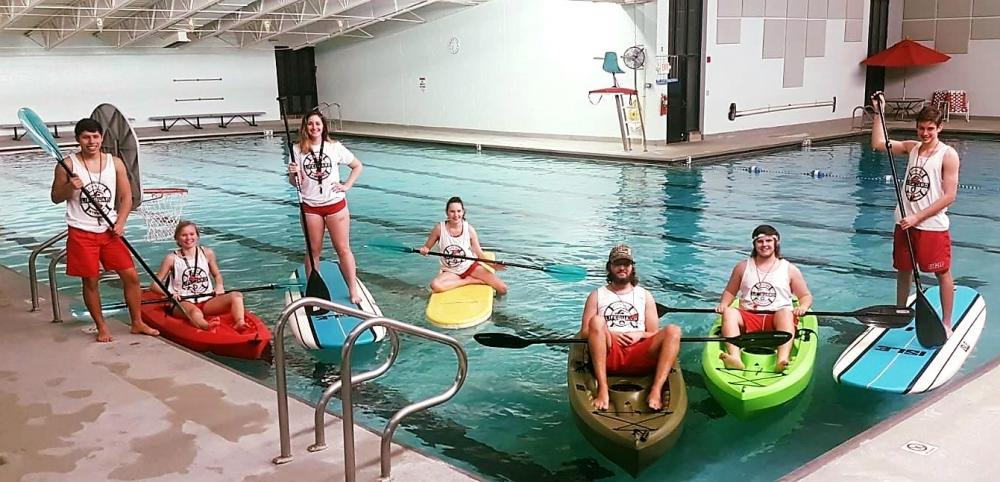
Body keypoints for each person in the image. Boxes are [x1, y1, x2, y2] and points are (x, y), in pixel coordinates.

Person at [49, 118, 160, 343]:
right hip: (81, 231)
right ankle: (101, 327)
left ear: (102, 138)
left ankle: (137, 322)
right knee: (90, 281)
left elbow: (126, 197)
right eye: (86, 137)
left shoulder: (115, 163)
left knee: (131, 276)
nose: (92, 141)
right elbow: (55, 198)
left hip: (110, 231)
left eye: (95, 136)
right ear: (78, 139)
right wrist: (70, 187)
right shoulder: (68, 165)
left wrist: (121, 222)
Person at [872, 94, 959, 337]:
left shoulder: (948, 154)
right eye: (921, 128)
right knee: (903, 270)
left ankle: (946, 323)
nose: (925, 133)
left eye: (930, 128)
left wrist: (918, 217)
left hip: (931, 225)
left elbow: (949, 195)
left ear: (940, 127)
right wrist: (879, 112)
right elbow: (879, 144)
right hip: (905, 222)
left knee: (942, 272)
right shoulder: (912, 148)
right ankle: (901, 313)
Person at [578, 245, 681, 411]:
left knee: (674, 330)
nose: (622, 268)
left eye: (626, 264)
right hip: (609, 352)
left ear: (632, 267)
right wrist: (610, 334)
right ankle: (603, 389)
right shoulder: (597, 295)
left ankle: (656, 390)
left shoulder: (645, 295)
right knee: (597, 321)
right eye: (618, 263)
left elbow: (654, 333)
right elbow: (584, 332)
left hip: (639, 353)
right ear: (609, 267)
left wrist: (639, 334)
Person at [287, 110, 364, 304]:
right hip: (310, 206)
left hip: (335, 205)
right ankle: (313, 288)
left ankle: (353, 289)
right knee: (313, 251)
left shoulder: (334, 147)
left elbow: (357, 166)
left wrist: (346, 185)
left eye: (317, 124)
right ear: (305, 127)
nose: (314, 127)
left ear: (323, 126)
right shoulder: (297, 150)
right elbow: (295, 183)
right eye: (310, 124)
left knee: (343, 249)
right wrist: (292, 173)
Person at [715, 225, 812, 372]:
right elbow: (730, 291)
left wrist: (803, 307)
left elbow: (805, 296)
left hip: (777, 318)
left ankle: (782, 359)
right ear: (754, 244)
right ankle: (734, 357)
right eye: (760, 241)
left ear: (776, 243)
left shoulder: (789, 269)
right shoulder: (742, 267)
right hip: (749, 317)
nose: (764, 245)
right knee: (729, 312)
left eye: (768, 241)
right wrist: (723, 304)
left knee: (786, 312)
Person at [150, 221, 246, 331]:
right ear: (177, 239)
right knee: (195, 312)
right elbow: (154, 285)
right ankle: (206, 326)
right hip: (182, 302)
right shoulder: (171, 258)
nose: (188, 238)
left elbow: (217, 275)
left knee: (236, 295)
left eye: (192, 234)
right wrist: (170, 294)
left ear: (197, 236)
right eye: (184, 235)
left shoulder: (207, 253)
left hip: (206, 301)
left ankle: (240, 322)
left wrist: (219, 286)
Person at [419, 196, 508, 295]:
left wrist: (493, 265)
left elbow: (479, 254)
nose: (456, 215)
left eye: (458, 211)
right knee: (435, 286)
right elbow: (427, 247)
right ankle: (469, 281)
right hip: (451, 271)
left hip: (470, 267)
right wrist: (424, 250)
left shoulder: (469, 229)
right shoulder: (439, 229)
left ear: (463, 212)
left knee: (502, 289)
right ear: (446, 212)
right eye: (452, 211)